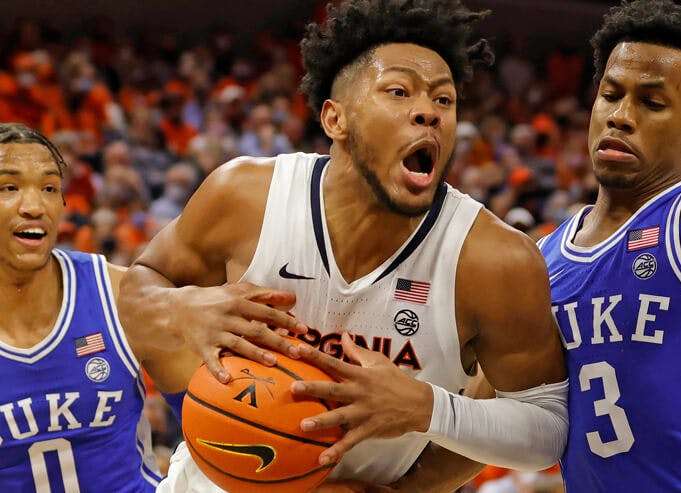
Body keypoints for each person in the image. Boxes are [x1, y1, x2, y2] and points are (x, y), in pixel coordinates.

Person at [118, 0, 568, 491]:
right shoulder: (244, 195)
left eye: (444, 100)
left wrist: (426, 411)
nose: (429, 112)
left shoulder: (493, 259)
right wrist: (180, 308)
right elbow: (139, 289)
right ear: (336, 120)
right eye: (398, 91)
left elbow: (545, 429)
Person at [0, 122, 300, 490]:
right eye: (9, 187)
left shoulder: (117, 295)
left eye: (49, 188)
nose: (33, 206)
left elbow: (224, 424)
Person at [536, 1, 681, 491]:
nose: (621, 116)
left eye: (652, 103)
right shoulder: (540, 261)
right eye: (610, 95)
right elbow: (490, 411)